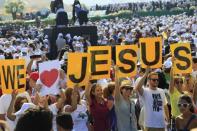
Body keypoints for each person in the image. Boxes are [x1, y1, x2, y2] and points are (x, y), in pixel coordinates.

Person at [114, 67, 137, 131]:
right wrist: (116, 73)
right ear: (121, 89)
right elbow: (116, 86)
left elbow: (134, 117)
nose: (129, 90)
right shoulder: (118, 100)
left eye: (130, 88)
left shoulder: (132, 102)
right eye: (126, 88)